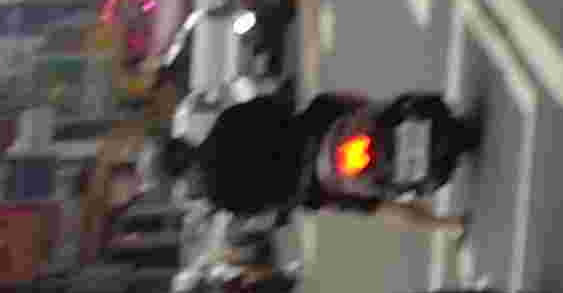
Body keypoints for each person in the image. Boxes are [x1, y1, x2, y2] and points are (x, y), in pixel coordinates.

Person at [152, 96, 462, 234]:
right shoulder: (227, 122)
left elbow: (261, 209)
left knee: (378, 208)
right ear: (184, 143)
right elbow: (276, 106)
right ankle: (399, 115)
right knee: (364, 109)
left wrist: (283, 202)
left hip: (314, 185)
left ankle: (447, 226)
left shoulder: (218, 195)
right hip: (317, 127)